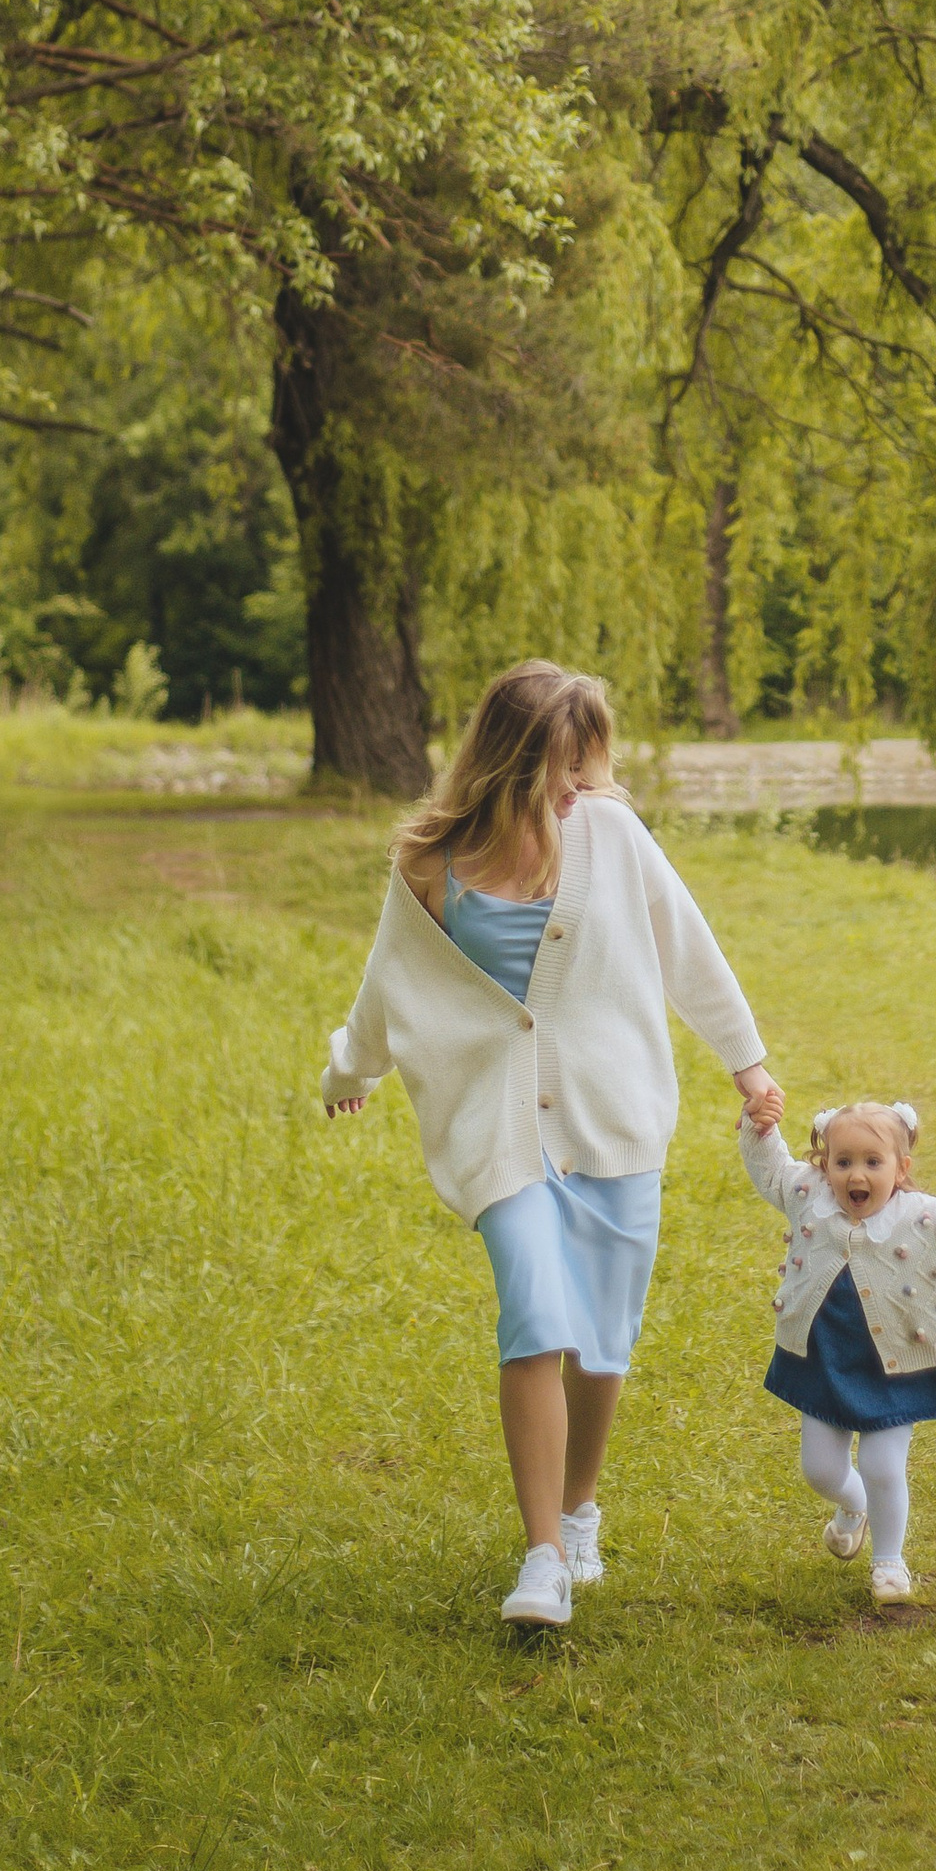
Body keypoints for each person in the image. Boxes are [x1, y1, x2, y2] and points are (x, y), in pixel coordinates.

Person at [323, 658, 785, 1630]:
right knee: (536, 1310)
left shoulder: (610, 835)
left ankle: (580, 1510)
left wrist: (747, 1063)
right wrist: (348, 1071)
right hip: (501, 1130)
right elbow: (388, 983)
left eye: (590, 767)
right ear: (509, 762)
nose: (583, 789)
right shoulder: (427, 865)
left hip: (613, 1115)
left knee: (602, 1343)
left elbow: (686, 948)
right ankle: (540, 1558)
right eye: (565, 770)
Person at [740, 1094, 936, 1606]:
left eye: (873, 1163)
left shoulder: (926, 1220)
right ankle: (854, 1508)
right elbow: (771, 1172)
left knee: (882, 1466)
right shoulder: (809, 1196)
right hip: (822, 1359)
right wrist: (759, 1128)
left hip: (897, 1366)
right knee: (821, 1470)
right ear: (824, 1164)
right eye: (842, 1161)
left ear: (901, 1169)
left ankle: (889, 1559)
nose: (856, 1175)